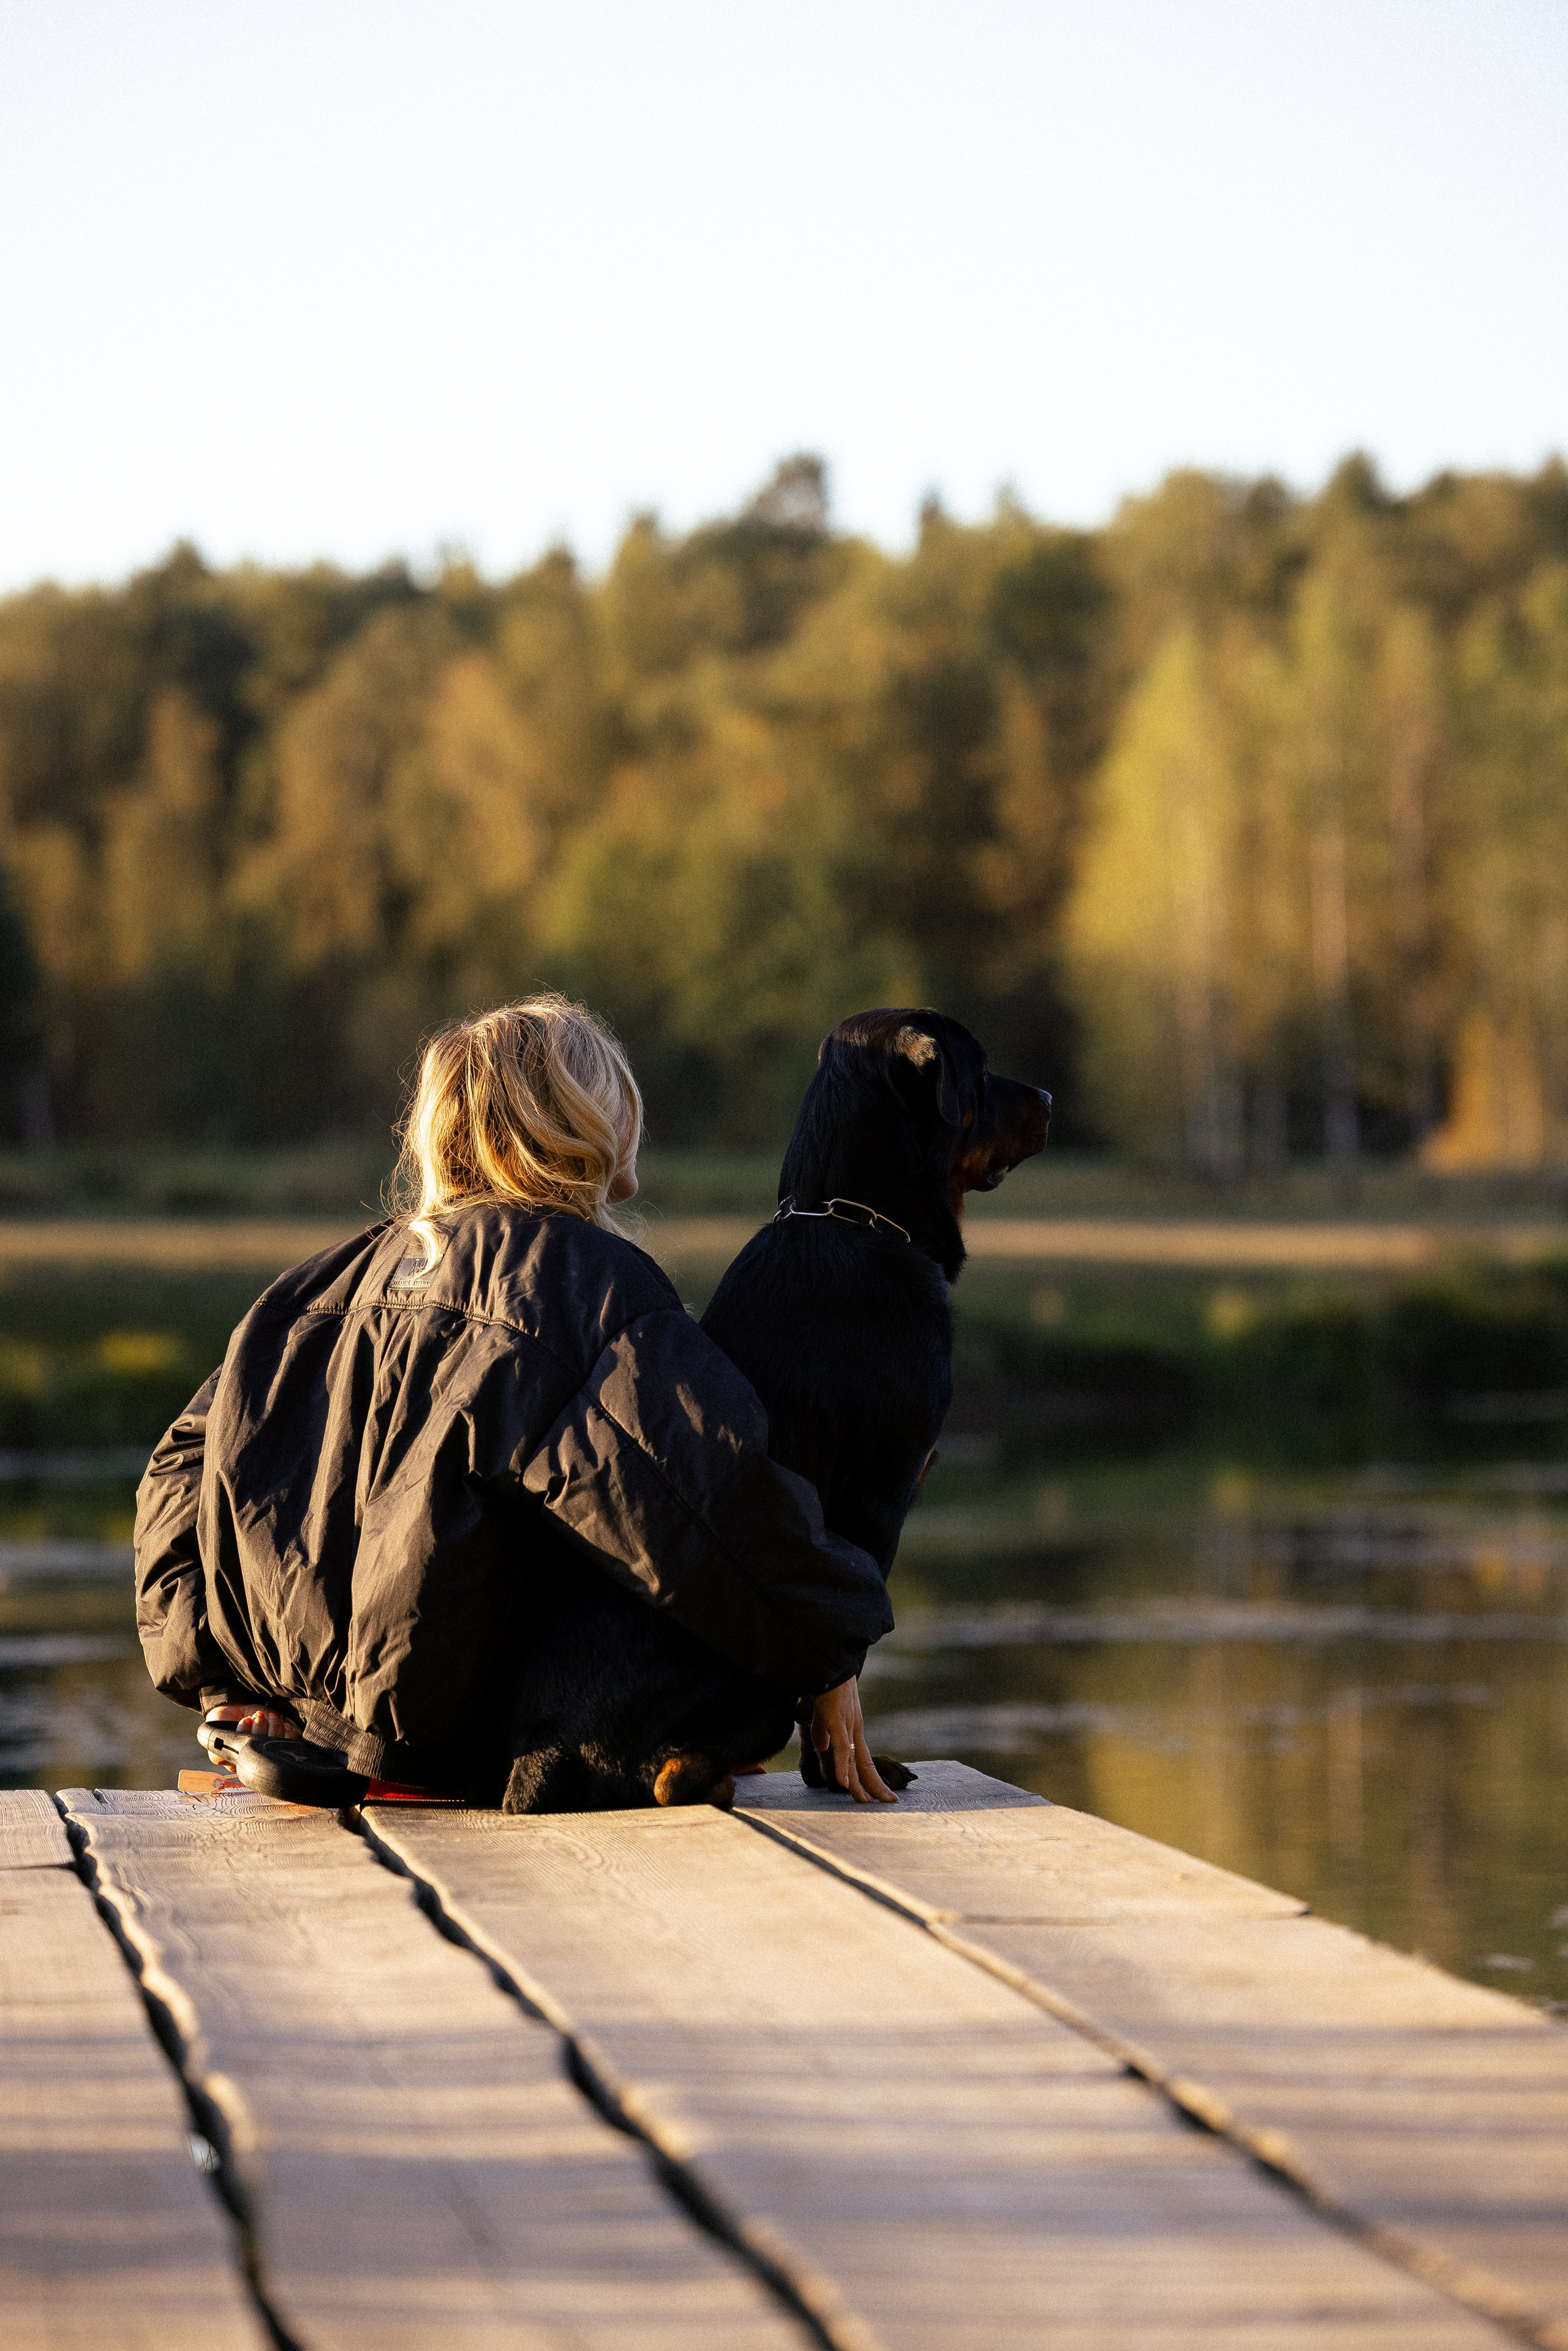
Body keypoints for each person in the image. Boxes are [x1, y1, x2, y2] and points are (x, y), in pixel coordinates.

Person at [135, 994, 898, 1804]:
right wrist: (830, 1645)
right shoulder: (579, 1283)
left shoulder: (316, 1284)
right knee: (722, 1622)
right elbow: (710, 1505)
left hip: (302, 1733)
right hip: (460, 1753)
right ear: (582, 1117)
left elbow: (177, 1473)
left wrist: (220, 1683)